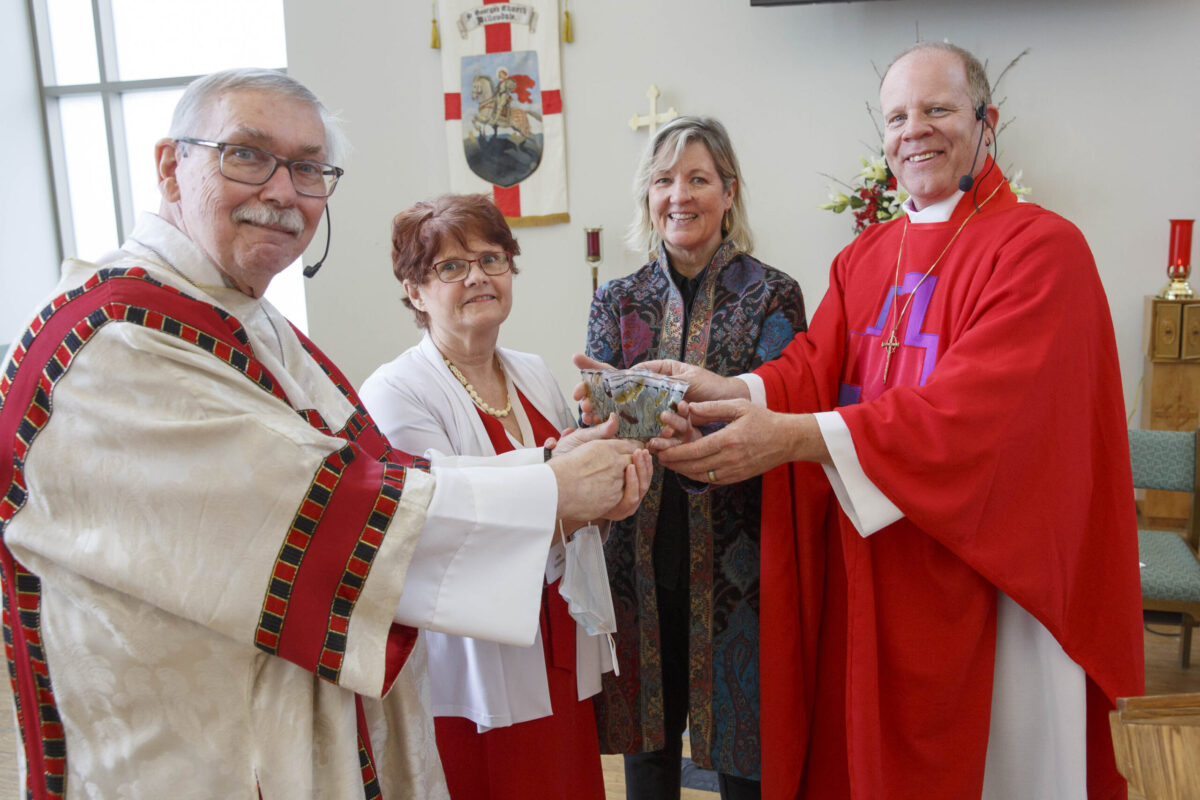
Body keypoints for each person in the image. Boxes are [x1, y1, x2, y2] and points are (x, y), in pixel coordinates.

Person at [0, 68, 651, 799]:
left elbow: (384, 474)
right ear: (170, 167)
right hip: (193, 757)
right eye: (247, 154)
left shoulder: (243, 319)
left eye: (309, 168)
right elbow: (328, 520)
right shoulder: (116, 343)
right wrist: (551, 493)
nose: (283, 191)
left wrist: (549, 470)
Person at [614, 43, 1144, 800]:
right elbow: (812, 365)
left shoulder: (1041, 248)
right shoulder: (867, 256)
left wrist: (796, 438)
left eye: (937, 110)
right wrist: (732, 390)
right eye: (897, 117)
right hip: (873, 559)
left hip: (984, 568)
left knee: (995, 766)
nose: (913, 131)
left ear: (986, 122)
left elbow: (976, 414)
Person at [358, 193, 613, 800]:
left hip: (555, 624)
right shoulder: (396, 391)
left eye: (492, 259)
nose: (477, 276)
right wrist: (568, 474)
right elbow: (439, 516)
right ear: (415, 292)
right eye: (450, 266)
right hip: (473, 653)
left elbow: (574, 499)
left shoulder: (532, 371)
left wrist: (613, 471)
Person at [582, 116, 807, 800]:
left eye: (698, 179)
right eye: (663, 181)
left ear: (729, 192)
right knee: (648, 750)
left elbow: (777, 413)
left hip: (741, 555)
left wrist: (692, 419)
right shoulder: (617, 300)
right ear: (647, 196)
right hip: (639, 552)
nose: (679, 195)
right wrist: (593, 415)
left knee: (743, 748)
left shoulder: (773, 294)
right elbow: (605, 422)